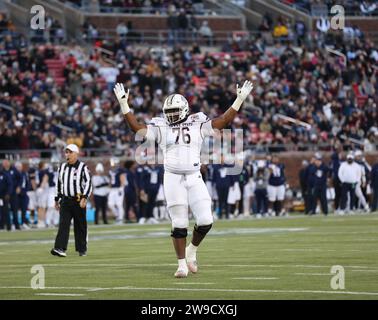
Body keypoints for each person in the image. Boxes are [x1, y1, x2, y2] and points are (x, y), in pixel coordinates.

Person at [113, 80, 253, 278]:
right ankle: (181, 264)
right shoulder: (161, 126)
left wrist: (239, 99)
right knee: (179, 223)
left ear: (185, 109)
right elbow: (137, 128)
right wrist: (124, 104)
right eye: (168, 112)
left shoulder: (197, 122)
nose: (170, 115)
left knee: (205, 220)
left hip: (194, 176)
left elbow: (223, 121)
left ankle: (192, 250)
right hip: (172, 177)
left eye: (174, 111)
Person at [51, 144, 92, 257]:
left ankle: (82, 249)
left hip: (78, 200)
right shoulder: (62, 167)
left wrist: (84, 197)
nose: (67, 155)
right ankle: (60, 248)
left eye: (70, 152)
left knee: (80, 226)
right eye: (66, 152)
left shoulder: (83, 167)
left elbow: (88, 183)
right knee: (63, 225)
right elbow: (59, 184)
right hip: (65, 201)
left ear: (76, 154)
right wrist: (56, 199)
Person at [2, 160, 21, 230]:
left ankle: (17, 225)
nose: (6, 164)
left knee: (15, 209)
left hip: (13, 193)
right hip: (5, 194)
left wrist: (19, 187)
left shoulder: (14, 170)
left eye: (7, 162)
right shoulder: (2, 171)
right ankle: (8, 226)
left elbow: (20, 178)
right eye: (4, 163)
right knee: (6, 210)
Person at [108, 158, 126, 224]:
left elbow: (122, 178)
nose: (111, 164)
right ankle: (117, 215)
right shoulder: (110, 170)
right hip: (112, 189)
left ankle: (120, 219)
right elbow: (110, 180)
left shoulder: (121, 170)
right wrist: (109, 188)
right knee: (110, 204)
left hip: (118, 189)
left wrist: (121, 188)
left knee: (119, 204)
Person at [0, 164, 12, 231]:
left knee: (6, 211)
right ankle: (1, 225)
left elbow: (10, 184)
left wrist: (8, 193)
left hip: (4, 196)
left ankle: (8, 226)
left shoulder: (5, 175)